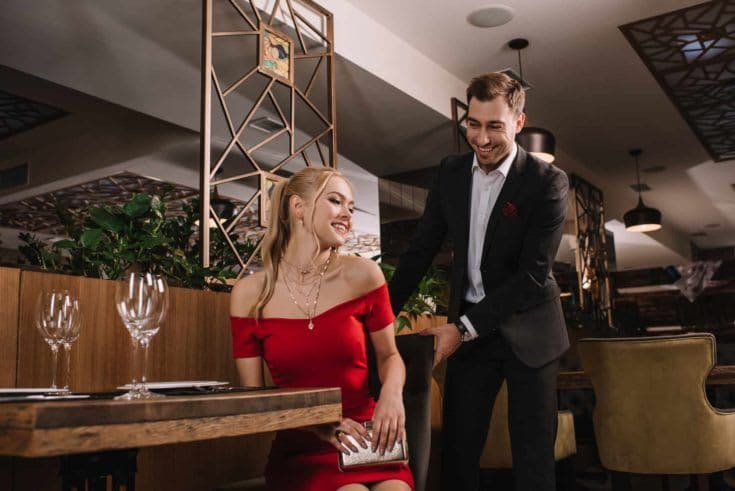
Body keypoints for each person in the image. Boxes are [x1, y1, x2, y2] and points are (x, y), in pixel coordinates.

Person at [388, 72, 569, 491]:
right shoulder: (451, 172)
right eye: (473, 123)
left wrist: (460, 329)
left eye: (495, 126)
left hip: (531, 331)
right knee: (458, 454)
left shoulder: (547, 183)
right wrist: (380, 318)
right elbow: (419, 252)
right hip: (473, 335)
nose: (482, 139)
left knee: (533, 461)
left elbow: (530, 276)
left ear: (519, 123)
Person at [230, 167, 414, 491]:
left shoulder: (365, 275)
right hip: (304, 447)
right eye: (335, 201)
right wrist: (321, 428)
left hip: (367, 441)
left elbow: (389, 356)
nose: (347, 215)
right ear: (298, 208)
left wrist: (392, 395)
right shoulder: (248, 295)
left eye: (352, 207)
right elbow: (254, 401)